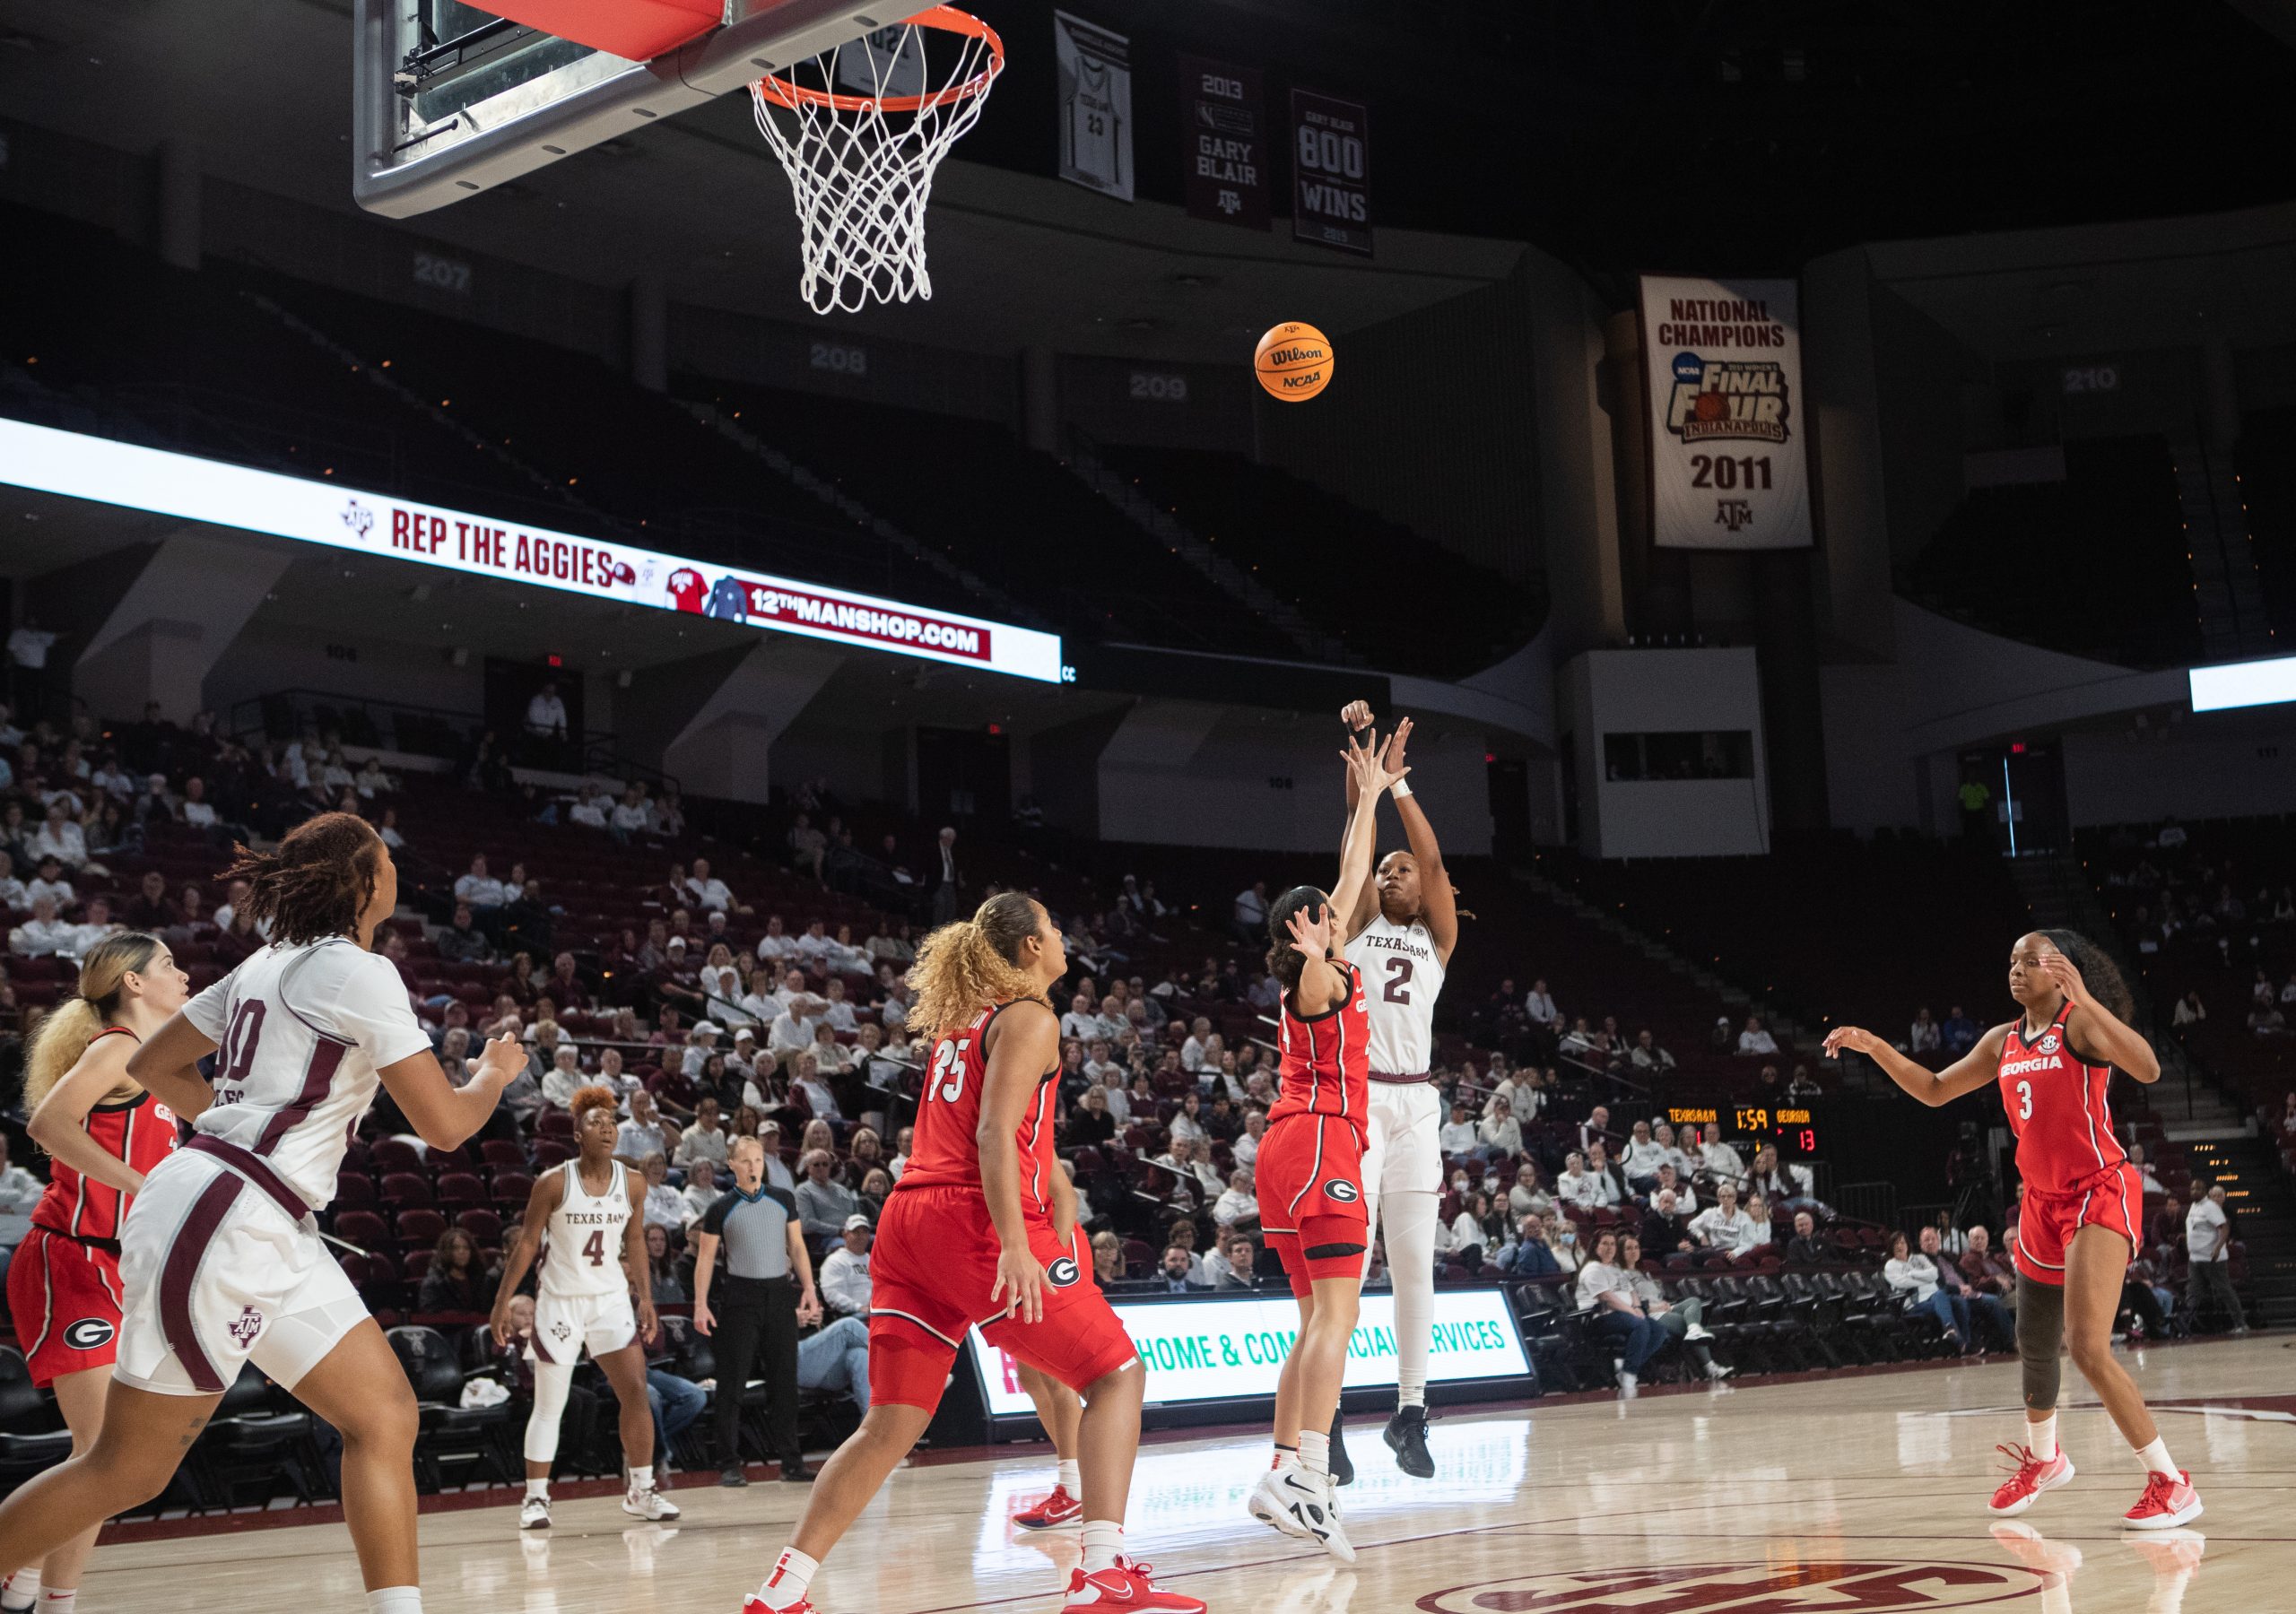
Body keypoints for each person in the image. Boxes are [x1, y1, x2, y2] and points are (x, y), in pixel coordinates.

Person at [0, 812, 522, 1614]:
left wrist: (229, 1129)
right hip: (226, 1217)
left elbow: (151, 1062)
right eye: (386, 859)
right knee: (127, 1469)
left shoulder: (264, 964)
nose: (395, 871)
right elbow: (446, 1126)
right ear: (360, 881)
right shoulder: (357, 971)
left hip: (264, 1216)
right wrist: (493, 1073)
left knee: (384, 1415)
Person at [737, 892, 1199, 1614]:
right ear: (1027, 950)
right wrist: (1016, 1243)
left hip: (908, 1221)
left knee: (889, 1422)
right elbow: (993, 1135)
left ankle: (782, 1587)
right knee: (1117, 1374)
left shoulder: (963, 1022)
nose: (1063, 937)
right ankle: (1102, 1570)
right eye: (1052, 927)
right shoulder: (1032, 1016)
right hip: (971, 1220)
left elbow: (1012, 1140)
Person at [1824, 928, 2201, 1530]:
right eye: (2011, 961)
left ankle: (2171, 1481)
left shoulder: (2079, 1025)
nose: (2016, 970)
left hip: (2095, 1190)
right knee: (2033, 1338)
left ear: (2060, 972)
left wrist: (2088, 999)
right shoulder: (2002, 1040)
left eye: (2030, 961)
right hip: (2041, 1201)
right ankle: (2046, 1460)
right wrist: (1875, 1048)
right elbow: (1934, 1089)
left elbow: (2150, 1068)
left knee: (2086, 1347)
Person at [0, 933, 186, 1614]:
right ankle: (41, 1598)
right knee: (102, 1453)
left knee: (112, 1459)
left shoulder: (157, 1064)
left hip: (117, 1266)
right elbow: (47, 1124)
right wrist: (142, 1184)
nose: (184, 973)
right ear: (133, 984)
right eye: (168, 964)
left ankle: (23, 1587)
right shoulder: (116, 1048)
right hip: (69, 1255)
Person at [1245, 730, 1395, 1561]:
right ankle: (1310, 1473)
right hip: (1319, 1145)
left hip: (1287, 1150)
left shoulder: (1328, 953)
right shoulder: (1319, 976)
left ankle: (1282, 1471)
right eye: (1330, 916)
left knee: (1312, 1322)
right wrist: (1312, 959)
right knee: (1340, 1315)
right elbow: (1313, 987)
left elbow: (1353, 874)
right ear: (1311, 929)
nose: (1347, 909)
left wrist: (1368, 796)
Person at [1328, 703, 1455, 1485]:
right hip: (1360, 1101)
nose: (1391, 872)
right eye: (1387, 868)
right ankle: (1329, 1418)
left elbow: (1437, 869)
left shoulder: (1438, 934)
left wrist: (1404, 788)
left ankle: (1410, 1413)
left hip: (1417, 1107)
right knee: (1352, 1265)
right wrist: (1371, 778)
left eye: (1400, 869)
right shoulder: (1364, 919)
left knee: (1415, 1268)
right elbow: (1355, 845)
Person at [491, 1085, 674, 1530]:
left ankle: (641, 1489)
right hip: (560, 1302)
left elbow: (634, 1241)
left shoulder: (633, 1182)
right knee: (550, 1405)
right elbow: (528, 1244)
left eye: (612, 1122)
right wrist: (502, 1302)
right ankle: (536, 1498)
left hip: (610, 1298)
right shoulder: (553, 1182)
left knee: (636, 1391)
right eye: (596, 1122)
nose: (607, 1129)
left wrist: (646, 1298)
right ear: (577, 1133)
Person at [695, 1135, 818, 1489]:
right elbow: (705, 1259)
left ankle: (791, 1461)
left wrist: (809, 1288)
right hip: (740, 1296)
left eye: (758, 1160)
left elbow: (796, 1246)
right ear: (731, 1165)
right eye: (745, 1161)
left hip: (779, 1294)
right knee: (731, 1384)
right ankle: (729, 1463)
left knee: (785, 1382)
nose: (753, 1167)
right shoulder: (720, 1208)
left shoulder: (783, 1199)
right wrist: (700, 1304)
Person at [1577, 1228, 1663, 1392]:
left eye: (1613, 1244)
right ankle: (1630, 1375)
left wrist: (1637, 1307)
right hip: (1600, 1317)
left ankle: (1625, 1366)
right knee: (1640, 1325)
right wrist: (1632, 1312)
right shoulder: (1592, 1269)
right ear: (1596, 1247)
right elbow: (1607, 1298)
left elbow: (1631, 1291)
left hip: (1624, 1314)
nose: (1610, 1248)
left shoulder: (1615, 1268)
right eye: (1605, 1244)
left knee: (1659, 1330)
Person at [1884, 1230, 1967, 1349]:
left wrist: (1912, 1273)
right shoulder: (1891, 1265)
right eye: (1895, 1244)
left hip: (1933, 1298)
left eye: (1902, 1243)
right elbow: (1903, 1283)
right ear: (1891, 1247)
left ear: (1907, 1245)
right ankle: (1959, 1341)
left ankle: (1958, 1335)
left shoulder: (1920, 1258)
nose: (1899, 1246)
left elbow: (1934, 1274)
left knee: (1959, 1301)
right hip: (1913, 1303)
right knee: (1942, 1297)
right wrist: (1926, 1279)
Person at [2183, 1182, 2245, 1334]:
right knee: (2193, 1291)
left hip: (2212, 1258)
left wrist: (2217, 1247)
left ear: (2205, 1192)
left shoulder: (2211, 1207)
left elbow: (2224, 1227)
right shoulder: (2194, 1206)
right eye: (2192, 1188)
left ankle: (2240, 1323)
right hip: (2195, 1258)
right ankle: (2186, 1325)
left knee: (2224, 1290)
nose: (2194, 1191)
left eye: (2198, 1188)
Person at [817, 1215, 873, 1319]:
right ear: (845, 1234)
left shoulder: (874, 1261)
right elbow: (832, 1294)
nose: (861, 1236)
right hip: (854, 1316)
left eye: (865, 1232)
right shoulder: (835, 1261)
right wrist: (859, 1307)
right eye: (855, 1232)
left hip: (878, 1314)